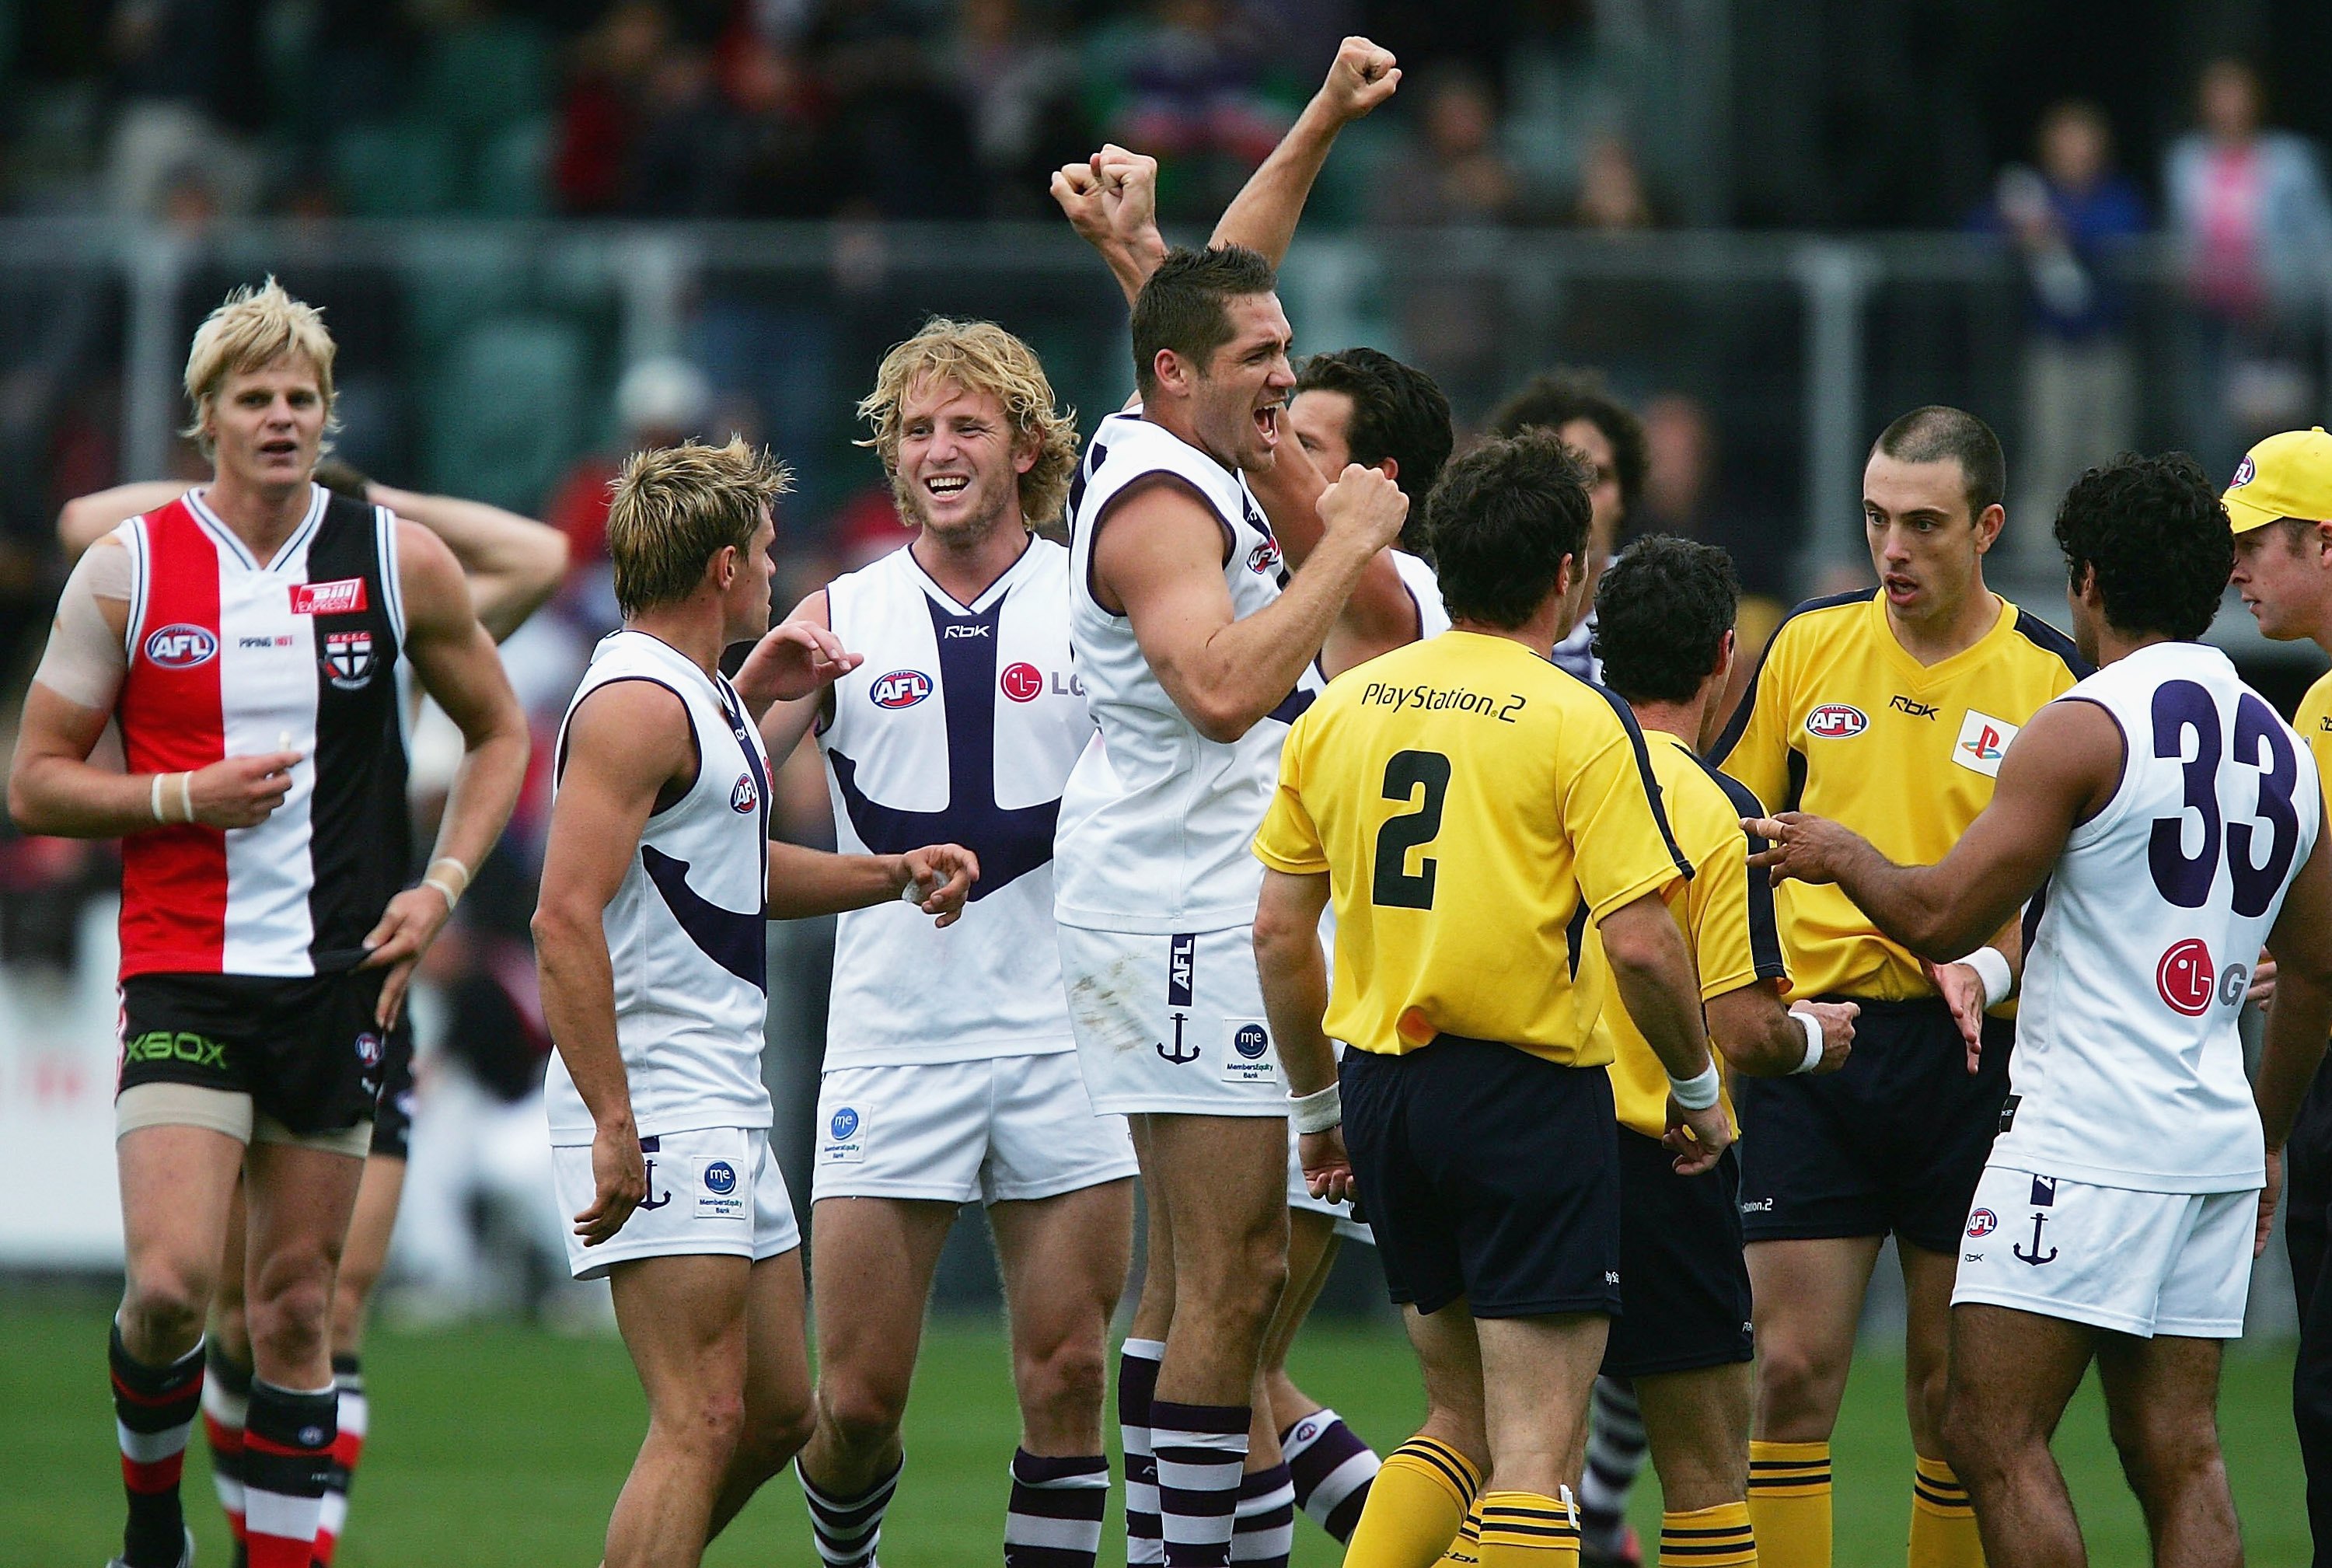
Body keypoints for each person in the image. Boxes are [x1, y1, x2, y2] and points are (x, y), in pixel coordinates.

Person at [8, 278, 533, 1568]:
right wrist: (182, 793)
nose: (284, 416)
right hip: (185, 972)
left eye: (303, 397)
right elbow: (35, 778)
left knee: (300, 1307)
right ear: (208, 419)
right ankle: (151, 1526)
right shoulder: (130, 567)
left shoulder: (393, 559)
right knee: (173, 1288)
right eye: (257, 397)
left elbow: (502, 731)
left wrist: (444, 885)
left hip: (339, 979)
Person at [1748, 451, 2332, 1568]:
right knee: (2186, 1451)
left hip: (2086, 1132)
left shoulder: (2082, 722)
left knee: (1988, 1427)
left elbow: (1933, 914)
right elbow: (2315, 970)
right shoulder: (2281, 744)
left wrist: (1837, 848)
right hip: (2209, 1133)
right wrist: (2265, 1129)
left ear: (2088, 581)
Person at [1051, 39, 1421, 1566]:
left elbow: (1228, 270)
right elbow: (1216, 687)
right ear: (1174, 378)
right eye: (1260, 363)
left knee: (1225, 1278)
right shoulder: (1153, 499)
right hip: (1180, 909)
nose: (1289, 378)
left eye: (1290, 350)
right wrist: (1342, 543)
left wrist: (1323, 116)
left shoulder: (1197, 415)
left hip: (1204, 894)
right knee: (1234, 1282)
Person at [1252, 431, 1732, 1568]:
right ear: (1569, 574)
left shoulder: (1344, 706)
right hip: (1525, 1093)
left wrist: (1318, 1111)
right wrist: (1702, 1089)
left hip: (1382, 1095)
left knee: (1454, 1421)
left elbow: (1277, 932)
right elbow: (1646, 948)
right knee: (1533, 1451)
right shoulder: (1579, 720)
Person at [726, 317, 1138, 1568]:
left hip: (1075, 1034)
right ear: (892, 458)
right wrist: (751, 689)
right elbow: (703, 802)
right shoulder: (841, 611)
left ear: (1026, 445)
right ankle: (846, 1554)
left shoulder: (1099, 594)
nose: (940, 449)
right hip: (897, 1039)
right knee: (851, 1405)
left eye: (968, 425)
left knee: (1069, 1375)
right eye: (917, 429)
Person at [530, 436, 977, 1568]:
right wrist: (613, 1119)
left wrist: (890, 870)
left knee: (780, 1410)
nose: (780, 570)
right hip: (662, 1089)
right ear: (725, 564)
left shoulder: (699, 696)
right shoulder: (636, 703)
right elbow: (561, 918)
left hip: (715, 1088)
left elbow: (729, 872)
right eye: (769, 550)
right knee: (701, 1418)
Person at [1708, 406, 2088, 1568]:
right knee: (1791, 1370)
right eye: (1876, 519)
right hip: (1820, 1046)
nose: (1894, 549)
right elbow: (1726, 832)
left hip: (1974, 1064)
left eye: (1923, 523)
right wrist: (1750, 1003)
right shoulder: (1810, 647)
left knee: (1950, 1396)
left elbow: (2063, 905)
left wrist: (1979, 967)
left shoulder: (2047, 678)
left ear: (1988, 527)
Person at [1479, 367, 1652, 1560]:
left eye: (1592, 470)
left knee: (1645, 1298)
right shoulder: (1463, 633)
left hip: (1630, 996)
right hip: (1516, 1012)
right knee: (1505, 1388)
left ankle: (1589, 1503)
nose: (1570, 488)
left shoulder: (1660, 627)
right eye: (1549, 462)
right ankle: (1569, 1513)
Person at [2222, 424, 2332, 1566]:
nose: (2238, 570)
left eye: (2258, 543)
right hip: (2323, 1073)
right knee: (2321, 1401)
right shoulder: (2311, 714)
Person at [1482, 370, 1648, 686]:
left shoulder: (1659, 614)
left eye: (1598, 477)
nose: (1579, 498)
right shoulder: (1450, 606)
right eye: (1558, 478)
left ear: (1624, 497)